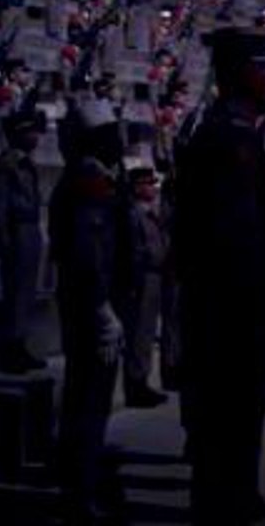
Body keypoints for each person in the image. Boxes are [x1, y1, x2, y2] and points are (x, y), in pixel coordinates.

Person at [173, 27, 265, 525]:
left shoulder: (233, 134)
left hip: (232, 304)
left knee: (239, 413)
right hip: (232, 309)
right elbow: (233, 236)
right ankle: (224, 503)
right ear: (245, 74)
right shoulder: (230, 139)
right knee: (231, 411)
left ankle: (235, 494)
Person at [47, 97, 126, 522]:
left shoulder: (89, 177)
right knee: (90, 400)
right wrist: (101, 310)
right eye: (109, 134)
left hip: (85, 302)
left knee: (87, 396)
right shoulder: (88, 181)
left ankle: (79, 481)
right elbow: (87, 253)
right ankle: (81, 492)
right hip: (89, 306)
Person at [0, 110, 48, 374]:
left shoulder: (26, 163)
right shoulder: (6, 164)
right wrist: (2, 238)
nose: (36, 137)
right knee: (15, 292)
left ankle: (21, 343)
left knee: (27, 292)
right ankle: (10, 348)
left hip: (31, 227)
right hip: (16, 229)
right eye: (31, 132)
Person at [123, 166, 170, 408]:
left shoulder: (151, 213)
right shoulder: (134, 215)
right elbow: (135, 250)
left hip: (156, 275)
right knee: (139, 334)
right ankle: (135, 384)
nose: (153, 188)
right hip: (143, 277)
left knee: (148, 332)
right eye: (148, 184)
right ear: (137, 187)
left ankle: (141, 380)